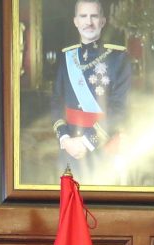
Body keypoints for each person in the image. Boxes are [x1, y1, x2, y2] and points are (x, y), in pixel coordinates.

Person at [51, 0, 131, 186]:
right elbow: (56, 100)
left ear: (103, 21)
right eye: (83, 16)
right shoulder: (66, 57)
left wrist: (87, 142)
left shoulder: (118, 58)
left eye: (94, 16)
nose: (89, 22)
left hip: (103, 145)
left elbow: (119, 109)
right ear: (75, 21)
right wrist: (65, 137)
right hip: (70, 146)